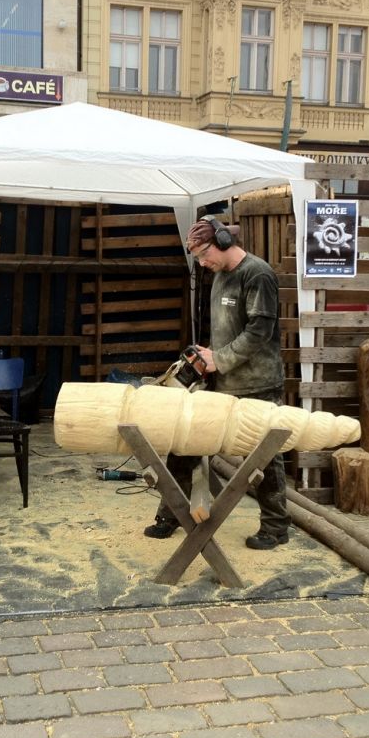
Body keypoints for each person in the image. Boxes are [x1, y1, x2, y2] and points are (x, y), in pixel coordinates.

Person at [143, 217, 291, 550]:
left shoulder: (258, 274)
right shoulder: (220, 276)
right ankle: (171, 514)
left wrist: (218, 359)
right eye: (196, 257)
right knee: (186, 441)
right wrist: (208, 357)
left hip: (258, 384)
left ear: (223, 242)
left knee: (264, 457)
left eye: (203, 254)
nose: (201, 262)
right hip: (223, 378)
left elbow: (258, 332)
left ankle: (276, 526)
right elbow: (227, 329)